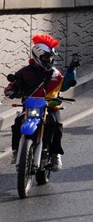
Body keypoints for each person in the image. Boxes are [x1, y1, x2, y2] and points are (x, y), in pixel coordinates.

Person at [4, 34, 79, 170]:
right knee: (17, 123)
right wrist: (11, 91)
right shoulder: (25, 72)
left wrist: (72, 70)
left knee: (56, 123)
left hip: (49, 106)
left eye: (50, 57)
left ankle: (55, 154)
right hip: (30, 106)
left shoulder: (55, 74)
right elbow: (15, 84)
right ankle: (16, 151)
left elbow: (65, 85)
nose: (48, 60)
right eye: (45, 57)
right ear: (38, 56)